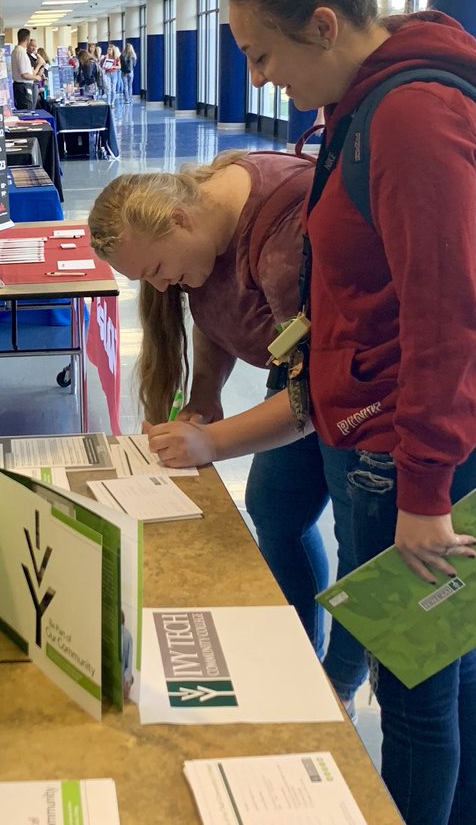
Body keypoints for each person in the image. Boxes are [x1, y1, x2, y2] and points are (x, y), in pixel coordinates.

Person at [146, 0, 476, 825]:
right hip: (395, 440)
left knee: (413, 692)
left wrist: (425, 493)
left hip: (417, 449)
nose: (260, 74)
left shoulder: (412, 118)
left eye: (263, 53)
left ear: (323, 25)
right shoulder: (365, 109)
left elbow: (446, 319)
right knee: (443, 665)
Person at [87, 153, 367, 710]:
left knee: (362, 549)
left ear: (180, 220)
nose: (162, 287)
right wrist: (207, 396)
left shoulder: (286, 241)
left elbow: (312, 400)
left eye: (158, 269)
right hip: (298, 375)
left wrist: (212, 442)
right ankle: (296, 649)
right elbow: (212, 306)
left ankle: (337, 685)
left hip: (355, 399)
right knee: (274, 508)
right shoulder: (203, 223)